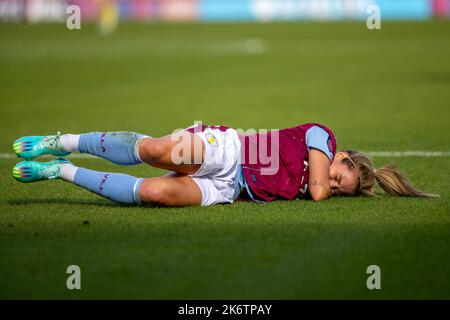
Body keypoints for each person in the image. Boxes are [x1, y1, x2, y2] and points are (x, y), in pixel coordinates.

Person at [11, 123, 436, 207]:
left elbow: (321, 186)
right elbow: (319, 188)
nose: (333, 185)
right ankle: (62, 142)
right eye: (342, 177)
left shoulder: (323, 166)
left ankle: (60, 171)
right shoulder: (322, 137)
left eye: (342, 188)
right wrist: (324, 185)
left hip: (231, 189)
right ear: (340, 156)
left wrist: (331, 185)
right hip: (229, 150)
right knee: (157, 152)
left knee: (156, 192)